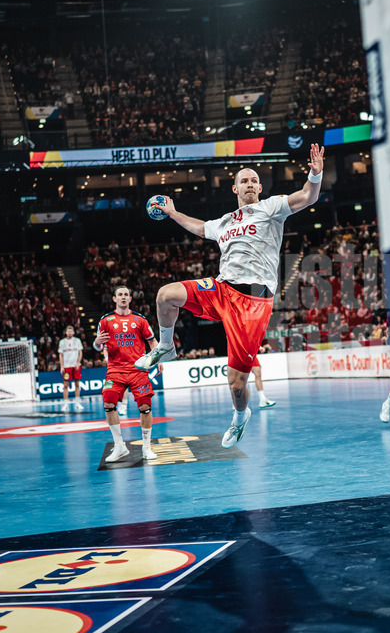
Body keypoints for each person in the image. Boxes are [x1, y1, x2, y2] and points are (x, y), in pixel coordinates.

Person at [135, 144, 325, 448]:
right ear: (235, 187)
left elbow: (306, 197)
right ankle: (166, 346)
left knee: (237, 385)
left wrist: (315, 175)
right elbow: (199, 228)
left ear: (260, 187)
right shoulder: (224, 221)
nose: (249, 184)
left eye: (254, 180)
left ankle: (240, 417)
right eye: (244, 181)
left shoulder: (272, 207)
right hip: (221, 289)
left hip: (253, 304)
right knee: (165, 295)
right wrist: (172, 213)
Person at [95, 286, 159, 463]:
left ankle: (146, 448)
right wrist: (96, 343)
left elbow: (152, 341)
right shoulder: (106, 320)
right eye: (120, 295)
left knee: (145, 406)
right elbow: (98, 346)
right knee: (108, 402)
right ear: (114, 299)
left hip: (138, 369)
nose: (123, 297)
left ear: (130, 298)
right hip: (115, 369)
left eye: (126, 295)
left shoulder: (140, 319)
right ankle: (120, 446)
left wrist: (158, 360)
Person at [58, 325, 84, 410]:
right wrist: (62, 366)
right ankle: (65, 404)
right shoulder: (62, 342)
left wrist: (78, 363)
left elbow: (80, 353)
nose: (69, 332)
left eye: (71, 331)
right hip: (67, 367)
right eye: (68, 331)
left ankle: (77, 403)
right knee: (66, 385)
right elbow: (60, 355)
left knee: (77, 384)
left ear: (73, 332)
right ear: (66, 332)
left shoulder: (77, 341)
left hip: (75, 366)